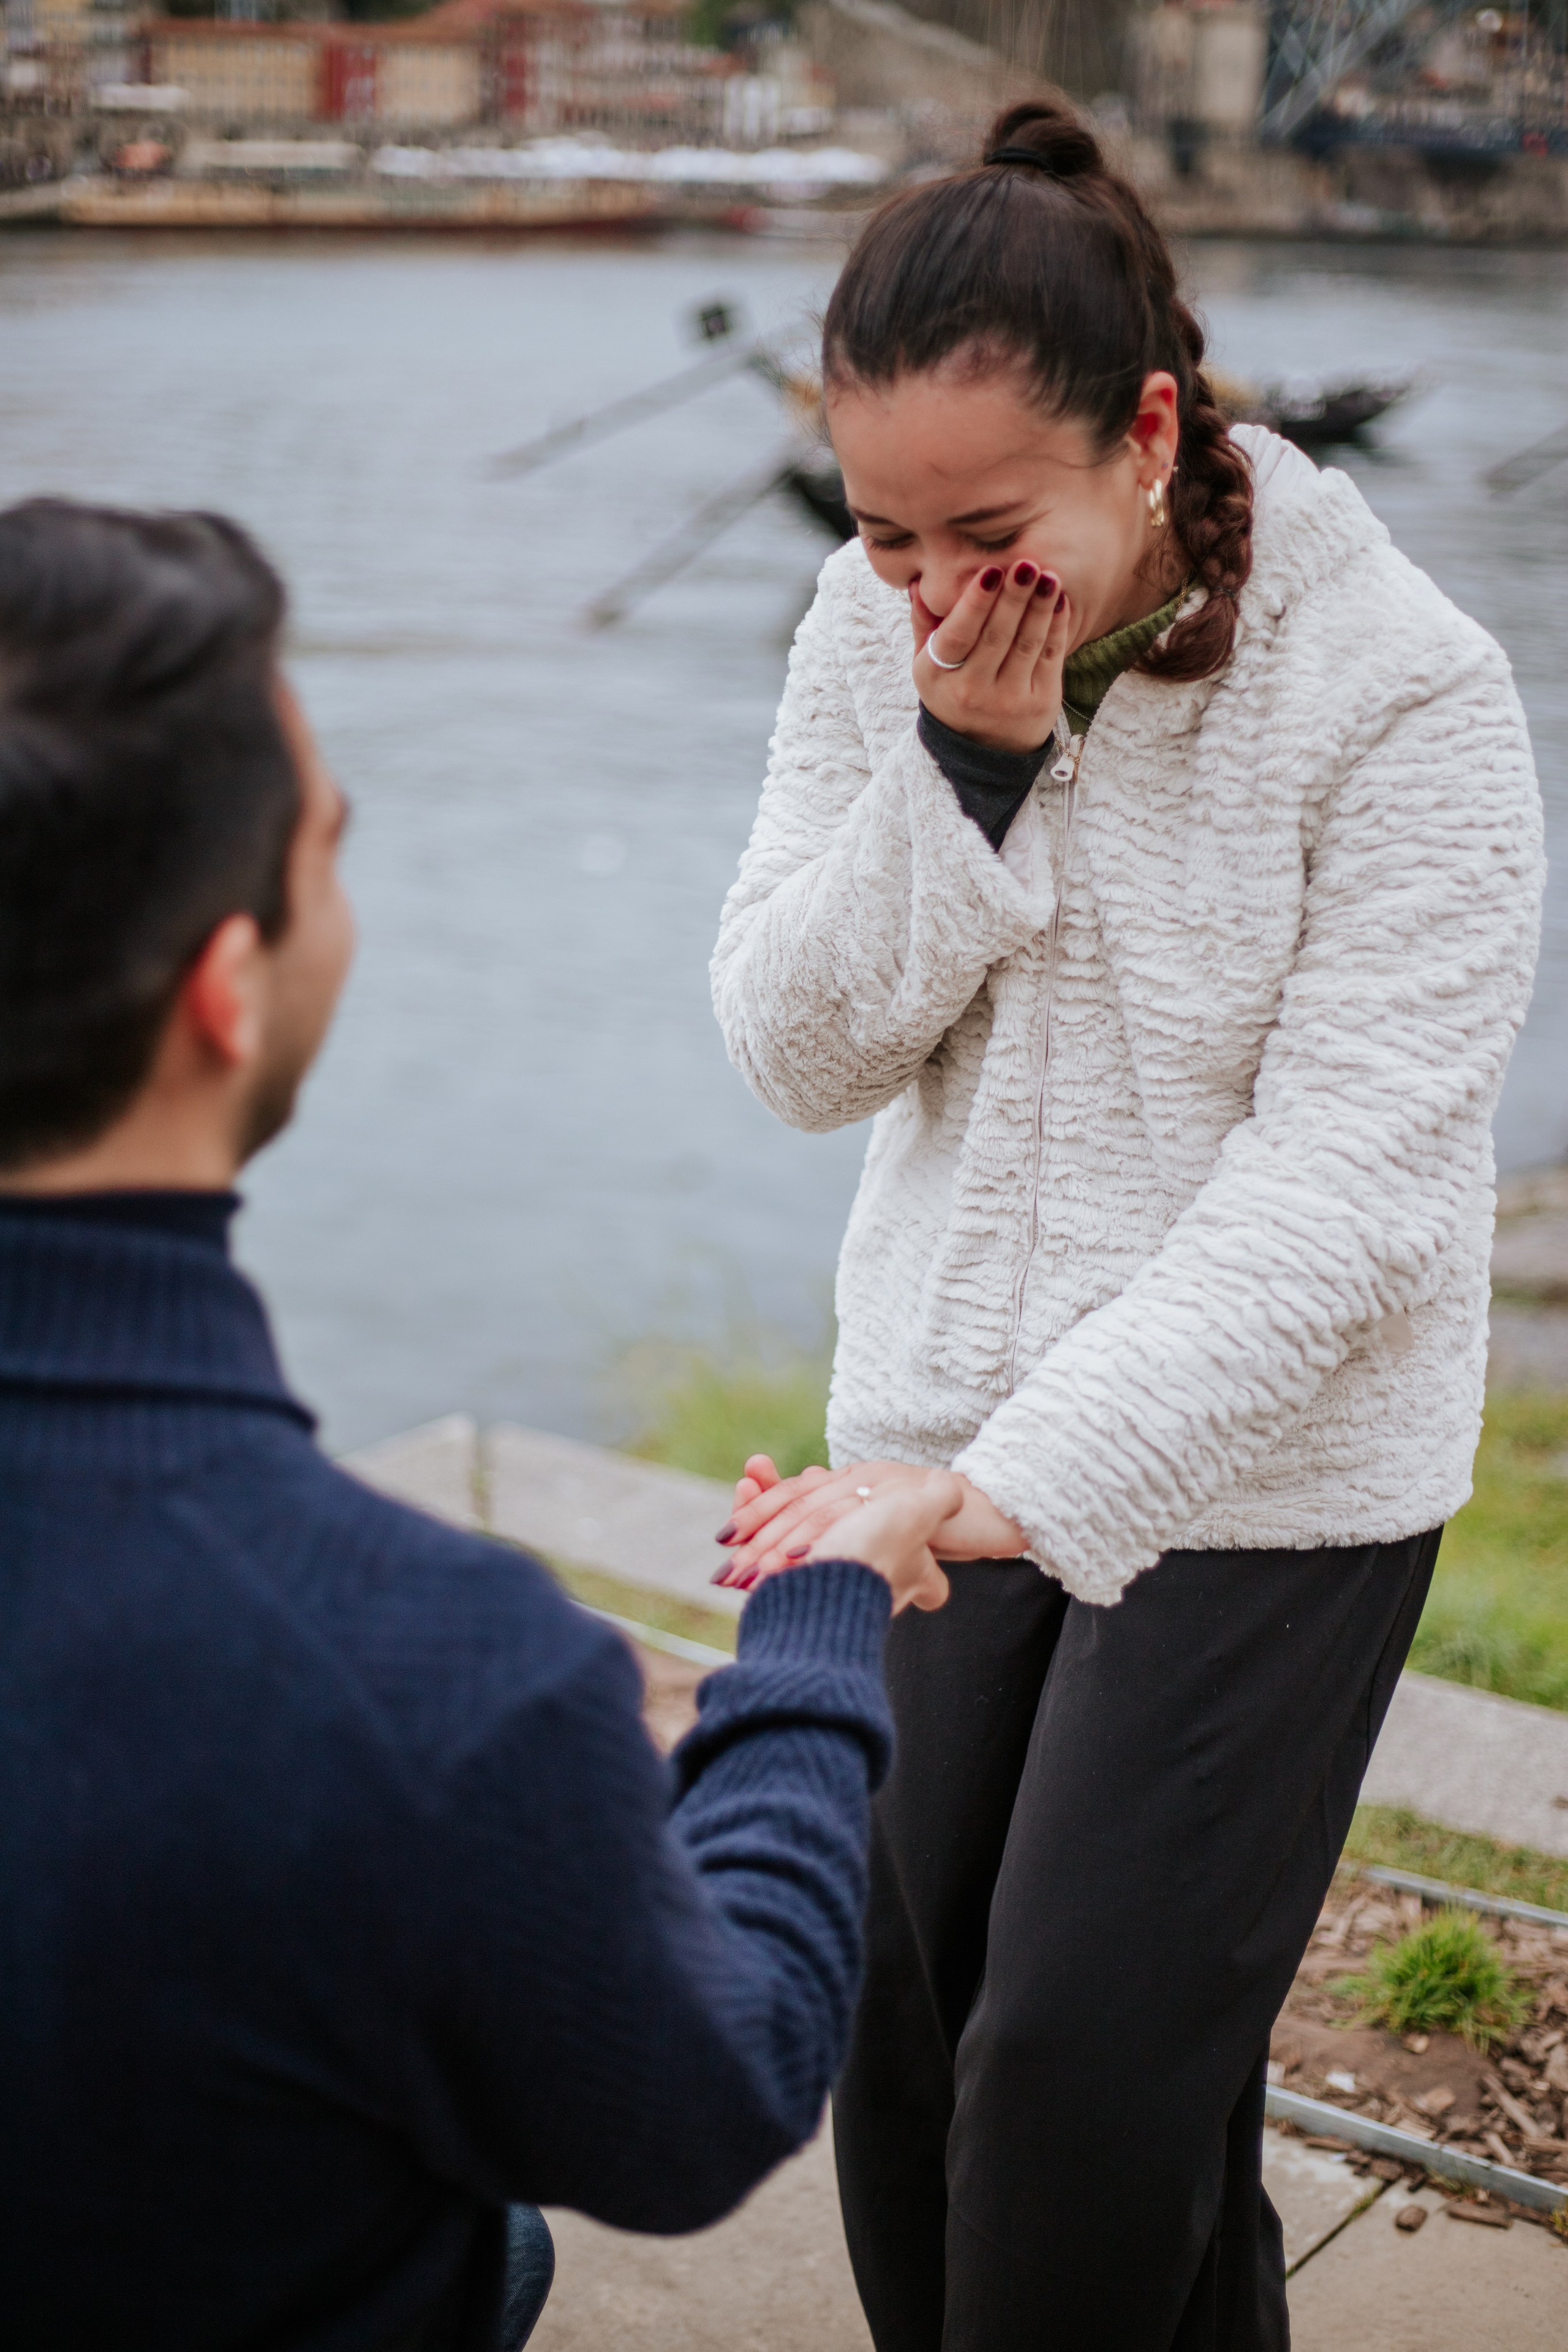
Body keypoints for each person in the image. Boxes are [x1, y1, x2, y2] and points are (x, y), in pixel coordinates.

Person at [709, 99, 1545, 2352]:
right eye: (884, 534)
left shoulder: (1411, 698)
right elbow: (795, 1055)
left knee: (1080, 2070)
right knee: (904, 2049)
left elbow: (1352, 1197)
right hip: (934, 1405)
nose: (926, 587)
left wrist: (1004, 1492)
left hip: (1271, 1477)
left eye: (985, 530)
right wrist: (955, 775)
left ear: (1153, 428)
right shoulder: (863, 624)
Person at [0, 495, 960, 2351]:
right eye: (328, 853)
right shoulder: (426, 1676)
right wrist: (815, 1635)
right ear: (228, 984)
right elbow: (703, 2096)